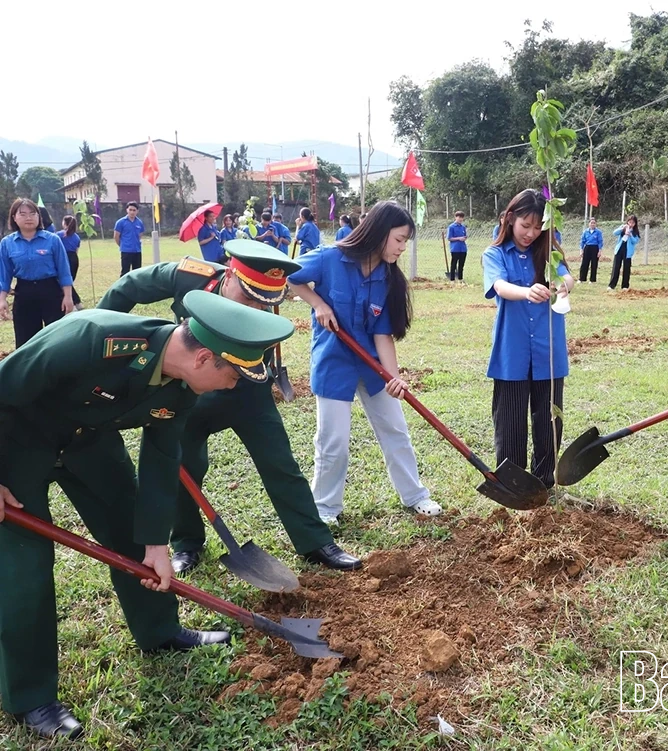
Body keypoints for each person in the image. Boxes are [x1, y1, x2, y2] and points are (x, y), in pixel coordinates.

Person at [0, 290, 294, 740]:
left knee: (133, 537)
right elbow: (5, 385)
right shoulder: (91, 337)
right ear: (203, 361)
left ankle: (160, 631)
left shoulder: (182, 387)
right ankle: (31, 696)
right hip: (18, 446)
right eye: (234, 376)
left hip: (90, 445)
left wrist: (158, 544)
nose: (234, 387)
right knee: (25, 571)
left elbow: (161, 456)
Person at [97, 240, 362, 573]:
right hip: (185, 394)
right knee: (183, 467)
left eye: (264, 302)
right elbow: (129, 286)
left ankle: (314, 542)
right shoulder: (190, 277)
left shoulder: (263, 315)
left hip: (245, 391)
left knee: (279, 462)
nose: (255, 308)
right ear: (231, 275)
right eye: (249, 296)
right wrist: (104, 330)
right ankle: (187, 544)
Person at [286, 202, 441, 523]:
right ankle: (326, 507)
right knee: (334, 441)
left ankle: (415, 495)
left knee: (395, 430)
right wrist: (317, 304)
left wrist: (393, 377)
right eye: (399, 239)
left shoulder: (388, 279)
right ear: (380, 233)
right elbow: (289, 277)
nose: (402, 248)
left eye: (405, 242)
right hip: (334, 362)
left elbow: (383, 334)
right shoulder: (330, 258)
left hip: (372, 366)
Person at [482, 189, 574, 489]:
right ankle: (512, 483)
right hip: (513, 351)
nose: (531, 233)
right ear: (510, 219)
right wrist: (526, 292)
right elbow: (498, 285)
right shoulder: (494, 253)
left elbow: (567, 276)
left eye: (538, 227)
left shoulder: (548, 253)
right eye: (526, 226)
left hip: (549, 351)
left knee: (549, 421)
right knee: (510, 422)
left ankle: (545, 480)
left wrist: (563, 286)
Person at [0, 198, 74, 347]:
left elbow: (64, 271)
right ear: (14, 217)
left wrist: (68, 297)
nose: (29, 217)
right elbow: (4, 275)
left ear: (39, 217)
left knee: (57, 338)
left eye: (33, 214)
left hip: (51, 292)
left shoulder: (52, 240)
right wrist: (2, 299)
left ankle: (57, 369)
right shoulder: (7, 243)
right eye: (23, 214)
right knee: (26, 340)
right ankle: (29, 370)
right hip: (24, 293)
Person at [58, 214, 83, 310]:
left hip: (65, 258)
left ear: (65, 223)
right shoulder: (77, 237)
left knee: (64, 282)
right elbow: (76, 251)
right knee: (68, 282)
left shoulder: (59, 235)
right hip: (74, 259)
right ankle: (77, 303)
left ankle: (76, 303)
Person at [608, 214, 640, 291]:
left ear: (635, 224)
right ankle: (612, 285)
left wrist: (630, 235)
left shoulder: (635, 232)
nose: (631, 224)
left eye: (633, 222)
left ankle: (625, 286)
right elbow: (615, 233)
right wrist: (623, 228)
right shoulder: (623, 227)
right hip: (619, 249)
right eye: (630, 222)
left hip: (628, 252)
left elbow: (635, 241)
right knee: (616, 267)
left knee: (626, 268)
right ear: (627, 222)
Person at [114, 201, 145, 276]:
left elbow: (140, 235)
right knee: (125, 272)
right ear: (127, 210)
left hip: (137, 251)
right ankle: (123, 287)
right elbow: (116, 236)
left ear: (137, 211)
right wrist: (123, 245)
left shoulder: (139, 222)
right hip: (126, 251)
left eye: (134, 210)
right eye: (130, 210)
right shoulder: (120, 222)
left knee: (137, 273)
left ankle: (136, 287)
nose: (132, 212)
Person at [578, 217, 604, 283]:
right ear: (589, 224)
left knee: (594, 264)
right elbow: (582, 241)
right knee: (584, 264)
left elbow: (600, 242)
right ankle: (582, 279)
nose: (592, 224)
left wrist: (600, 251)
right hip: (587, 248)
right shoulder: (585, 232)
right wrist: (581, 250)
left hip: (595, 248)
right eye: (591, 223)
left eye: (594, 223)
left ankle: (592, 280)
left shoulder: (598, 232)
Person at [446, 210, 469, 283]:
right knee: (454, 264)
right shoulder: (451, 227)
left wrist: (464, 238)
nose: (460, 219)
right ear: (455, 217)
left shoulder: (463, 227)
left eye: (462, 217)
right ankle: (452, 279)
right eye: (459, 217)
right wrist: (459, 238)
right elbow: (449, 238)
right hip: (455, 248)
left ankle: (460, 278)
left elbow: (465, 235)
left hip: (463, 248)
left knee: (461, 265)